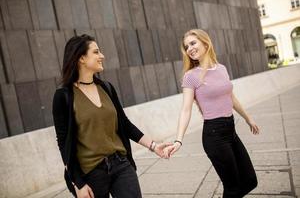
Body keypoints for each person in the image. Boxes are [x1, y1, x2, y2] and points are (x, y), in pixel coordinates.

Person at [52, 34, 171, 198]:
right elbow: (63, 143)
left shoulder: (107, 88)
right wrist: (78, 184)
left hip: (121, 164)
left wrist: (154, 146)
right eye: (96, 52)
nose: (102, 56)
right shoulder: (63, 96)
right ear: (81, 58)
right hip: (91, 173)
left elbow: (125, 124)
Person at [164, 29, 260, 198]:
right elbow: (186, 109)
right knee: (232, 188)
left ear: (205, 42)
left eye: (193, 43)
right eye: (187, 47)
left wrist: (248, 118)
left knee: (250, 180)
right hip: (214, 136)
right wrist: (178, 140)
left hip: (231, 131)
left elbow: (231, 97)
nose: (190, 49)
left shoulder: (221, 68)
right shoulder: (190, 76)